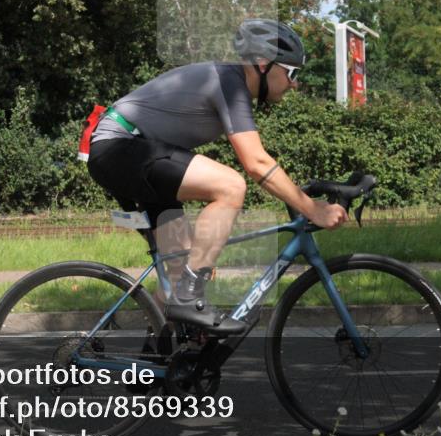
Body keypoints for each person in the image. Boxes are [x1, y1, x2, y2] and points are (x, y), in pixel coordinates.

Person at [87, 19, 347, 334]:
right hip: (120, 147)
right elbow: (256, 163)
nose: (294, 84)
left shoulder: (232, 83)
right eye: (292, 73)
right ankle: (187, 300)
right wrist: (313, 208)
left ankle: (162, 357)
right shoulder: (229, 81)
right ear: (263, 65)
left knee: (180, 269)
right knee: (230, 185)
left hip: (133, 152)